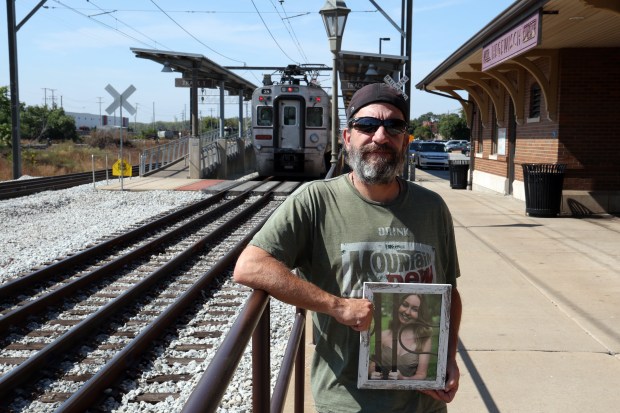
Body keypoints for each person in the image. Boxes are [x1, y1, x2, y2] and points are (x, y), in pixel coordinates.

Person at [233, 82, 462, 413]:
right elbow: (250, 266)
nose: (380, 136)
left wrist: (448, 358)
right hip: (346, 402)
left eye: (393, 126)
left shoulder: (432, 207)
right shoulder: (315, 201)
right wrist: (335, 305)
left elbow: (450, 293)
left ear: (404, 139)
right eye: (367, 125)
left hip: (422, 402)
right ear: (347, 137)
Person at [370, 294, 433, 381]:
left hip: (407, 393)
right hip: (379, 392)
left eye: (415, 309)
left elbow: (421, 374)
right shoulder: (383, 335)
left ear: (421, 314)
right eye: (405, 305)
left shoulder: (424, 339)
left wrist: (403, 378)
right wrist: (373, 373)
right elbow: (373, 365)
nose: (407, 312)